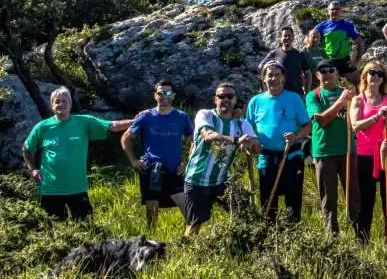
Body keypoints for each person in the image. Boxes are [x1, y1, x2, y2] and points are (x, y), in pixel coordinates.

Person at [22, 87, 133, 220]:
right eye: (57, 101)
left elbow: (112, 126)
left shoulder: (83, 122)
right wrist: (33, 169)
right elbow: (27, 149)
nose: (61, 104)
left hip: (77, 188)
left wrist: (137, 120)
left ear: (70, 104)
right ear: (52, 105)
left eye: (64, 101)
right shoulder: (42, 127)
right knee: (54, 230)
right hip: (51, 189)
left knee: (85, 226)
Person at [183, 82, 260, 235]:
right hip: (197, 179)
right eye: (221, 96)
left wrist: (250, 143)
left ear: (235, 99)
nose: (226, 99)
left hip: (221, 180)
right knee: (195, 224)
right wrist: (236, 141)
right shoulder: (206, 115)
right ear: (215, 99)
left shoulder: (241, 124)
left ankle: (239, 244)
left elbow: (258, 147)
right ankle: (187, 251)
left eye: (230, 96)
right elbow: (208, 136)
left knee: (242, 213)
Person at [121, 81, 194, 228]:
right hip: (150, 170)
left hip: (174, 169)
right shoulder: (146, 117)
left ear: (173, 96)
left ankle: (190, 243)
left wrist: (187, 162)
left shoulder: (181, 117)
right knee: (152, 216)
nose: (164, 96)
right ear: (155, 96)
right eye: (160, 93)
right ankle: (152, 244)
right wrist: (133, 161)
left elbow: (195, 139)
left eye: (167, 93)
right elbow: (125, 138)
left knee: (190, 213)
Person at [247, 61, 312, 223]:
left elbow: (308, 126)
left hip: (291, 156)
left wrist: (296, 136)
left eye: (277, 75)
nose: (273, 79)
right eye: (269, 75)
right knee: (268, 204)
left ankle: (293, 239)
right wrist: (251, 141)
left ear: (284, 78)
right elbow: (247, 128)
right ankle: (270, 239)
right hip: (266, 158)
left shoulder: (294, 99)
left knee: (293, 203)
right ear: (263, 79)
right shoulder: (255, 102)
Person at [349, 61, 387, 241]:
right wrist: (377, 116)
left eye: (380, 74)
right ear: (365, 75)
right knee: (367, 198)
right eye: (373, 72)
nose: (377, 77)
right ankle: (362, 239)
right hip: (366, 154)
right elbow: (356, 126)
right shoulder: (358, 100)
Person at [305, 59, 359, 234]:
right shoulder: (313, 96)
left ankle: (358, 235)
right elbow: (322, 120)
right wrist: (340, 102)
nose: (327, 73)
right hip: (325, 152)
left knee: (353, 196)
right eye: (323, 71)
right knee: (329, 199)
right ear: (317, 75)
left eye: (331, 70)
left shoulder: (347, 93)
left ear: (337, 73)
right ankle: (332, 239)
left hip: (348, 150)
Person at [314, 0, 366, 87]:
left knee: (359, 83)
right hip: (329, 61)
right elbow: (310, 39)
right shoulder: (322, 26)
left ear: (340, 10)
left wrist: (356, 60)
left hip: (344, 60)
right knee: (327, 86)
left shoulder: (348, 25)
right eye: (332, 9)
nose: (335, 11)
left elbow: (360, 42)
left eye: (337, 9)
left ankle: (359, 100)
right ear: (328, 11)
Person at [259, 26, 311, 97]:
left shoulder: (299, 54)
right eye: (285, 36)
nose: (287, 38)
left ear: (293, 38)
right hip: (278, 94)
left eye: (289, 35)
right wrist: (265, 89)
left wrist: (307, 93)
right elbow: (261, 67)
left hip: (296, 94)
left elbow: (308, 73)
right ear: (280, 38)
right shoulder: (274, 53)